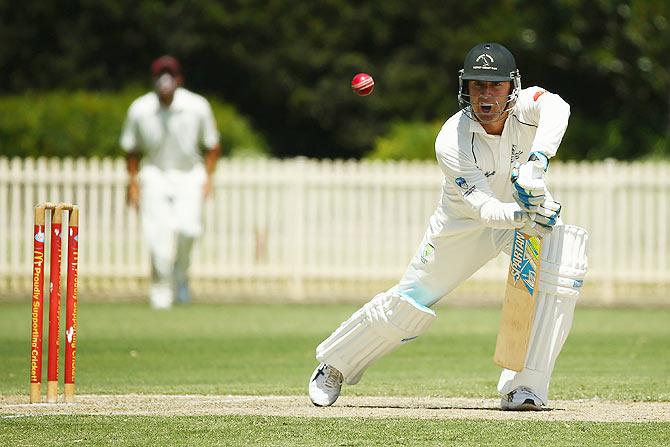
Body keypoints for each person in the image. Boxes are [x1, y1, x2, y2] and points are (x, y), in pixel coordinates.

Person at [308, 43, 588, 410]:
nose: (485, 95)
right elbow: (484, 207)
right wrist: (525, 217)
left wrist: (537, 161)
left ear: (512, 87)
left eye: (495, 86)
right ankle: (336, 364)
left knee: (563, 269)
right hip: (463, 226)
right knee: (410, 304)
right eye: (477, 86)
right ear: (466, 89)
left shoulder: (529, 106)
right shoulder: (452, 139)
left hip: (523, 211)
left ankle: (525, 387)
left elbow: (559, 107)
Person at [120, 55, 221, 309]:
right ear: (153, 79)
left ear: (179, 79)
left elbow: (212, 145)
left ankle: (181, 278)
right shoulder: (140, 109)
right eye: (160, 75)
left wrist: (208, 178)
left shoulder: (197, 106)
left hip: (189, 175)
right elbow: (131, 149)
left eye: (170, 75)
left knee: (189, 230)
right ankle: (161, 287)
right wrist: (133, 183)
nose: (165, 81)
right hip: (154, 175)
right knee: (158, 239)